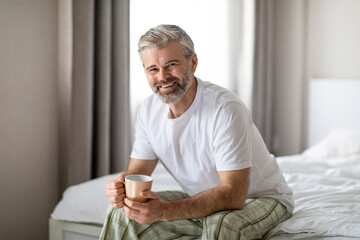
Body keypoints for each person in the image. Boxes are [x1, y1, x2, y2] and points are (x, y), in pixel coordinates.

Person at [100, 24, 293, 240]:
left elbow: (233, 195)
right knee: (123, 215)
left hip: (260, 198)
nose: (163, 77)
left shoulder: (225, 109)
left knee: (222, 224)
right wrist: (121, 190)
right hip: (201, 198)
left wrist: (163, 211)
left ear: (193, 63)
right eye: (153, 69)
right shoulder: (148, 110)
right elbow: (137, 173)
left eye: (171, 65)